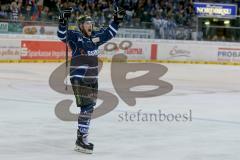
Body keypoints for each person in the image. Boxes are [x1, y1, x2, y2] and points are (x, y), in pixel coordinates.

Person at [57, 7, 125, 154]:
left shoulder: (95, 37)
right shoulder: (75, 36)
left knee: (88, 108)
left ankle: (81, 138)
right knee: (87, 108)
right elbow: (62, 35)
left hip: (93, 78)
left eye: (91, 23)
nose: (91, 25)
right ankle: (81, 140)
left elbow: (109, 33)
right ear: (81, 25)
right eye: (87, 23)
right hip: (79, 77)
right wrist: (62, 21)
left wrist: (116, 20)